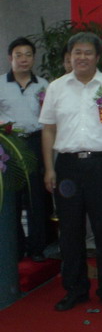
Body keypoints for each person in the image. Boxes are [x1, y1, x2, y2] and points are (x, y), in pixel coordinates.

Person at [40, 32, 102, 312]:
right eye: (77, 52)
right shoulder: (57, 87)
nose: (82, 57)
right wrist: (49, 168)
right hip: (67, 167)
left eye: (88, 52)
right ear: (70, 56)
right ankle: (75, 289)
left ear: (98, 57)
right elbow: (48, 129)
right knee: (70, 231)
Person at [0, 37, 50, 262]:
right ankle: (16, 247)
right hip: (8, 144)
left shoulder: (44, 85)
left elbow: (49, 119)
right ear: (10, 58)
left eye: (28, 55)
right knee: (12, 196)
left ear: (33, 58)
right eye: (18, 55)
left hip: (35, 142)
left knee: (36, 196)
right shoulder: (1, 83)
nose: (23, 59)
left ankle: (37, 247)